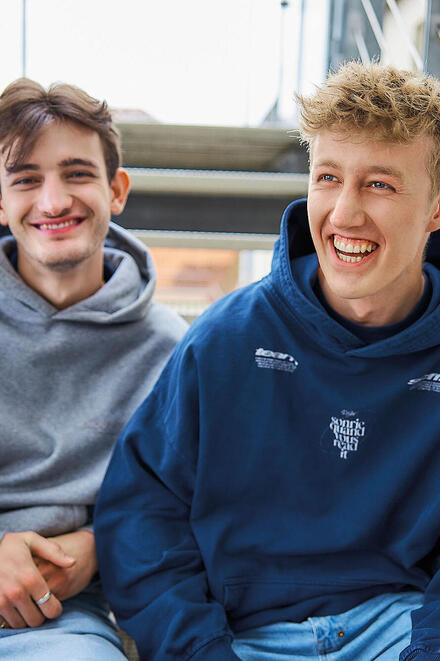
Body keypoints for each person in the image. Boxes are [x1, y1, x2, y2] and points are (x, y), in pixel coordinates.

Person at [94, 61, 440, 661]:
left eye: (380, 185)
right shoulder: (226, 340)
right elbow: (143, 517)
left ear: (436, 208)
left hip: (404, 631)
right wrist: (203, 650)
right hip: (242, 639)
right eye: (328, 177)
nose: (344, 213)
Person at [0, 78, 187, 660]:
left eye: (77, 174)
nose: (54, 202)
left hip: (58, 616)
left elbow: (191, 506)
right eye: (26, 180)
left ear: (116, 189)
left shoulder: (173, 350)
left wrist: (99, 546)